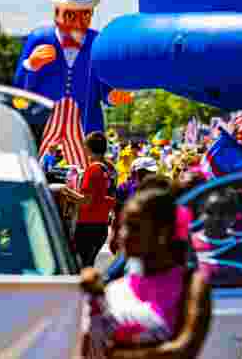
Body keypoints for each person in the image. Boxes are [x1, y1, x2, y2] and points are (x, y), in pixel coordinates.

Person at [80, 187, 212, 359]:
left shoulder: (191, 285)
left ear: (162, 232)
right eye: (123, 226)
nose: (124, 235)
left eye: (135, 227)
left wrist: (115, 355)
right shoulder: (113, 288)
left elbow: (183, 350)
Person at [14, 0, 129, 136]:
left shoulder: (97, 42)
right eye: (70, 15)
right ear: (57, 12)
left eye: (84, 15)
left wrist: (113, 96)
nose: (77, 23)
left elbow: (105, 88)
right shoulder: (39, 38)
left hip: (86, 130)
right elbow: (19, 94)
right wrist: (30, 66)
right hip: (44, 128)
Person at [70, 133, 117, 268]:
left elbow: (86, 201)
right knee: (88, 265)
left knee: (81, 268)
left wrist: (67, 193)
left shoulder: (93, 169)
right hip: (102, 225)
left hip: (87, 225)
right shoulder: (110, 169)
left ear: (88, 148)